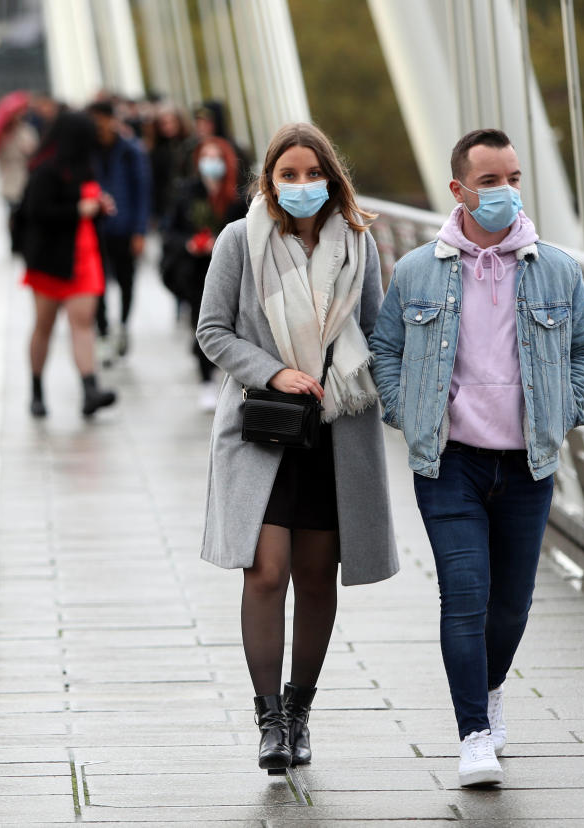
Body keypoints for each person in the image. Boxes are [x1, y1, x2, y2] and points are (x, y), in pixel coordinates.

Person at [369, 128, 584, 787]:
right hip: (450, 464)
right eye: (491, 181)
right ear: (459, 190)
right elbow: (385, 349)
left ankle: (491, 686)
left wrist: (564, 409)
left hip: (528, 465)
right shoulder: (418, 270)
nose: (505, 191)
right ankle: (474, 733)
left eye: (514, 177)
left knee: (512, 606)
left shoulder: (555, 268)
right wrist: (404, 409)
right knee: (465, 596)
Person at [196, 122, 398, 773]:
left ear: (332, 179)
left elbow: (376, 332)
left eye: (315, 174)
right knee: (268, 572)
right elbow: (212, 332)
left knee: (316, 578)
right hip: (263, 429)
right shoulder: (239, 241)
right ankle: (270, 721)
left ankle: (300, 710)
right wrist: (273, 369)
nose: (303, 185)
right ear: (271, 180)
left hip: (336, 434)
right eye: (290, 174)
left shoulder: (359, 246)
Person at [20, 111, 118, 419]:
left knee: (83, 323)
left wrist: (99, 208)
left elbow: (86, 209)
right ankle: (36, 390)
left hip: (84, 260)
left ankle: (90, 388)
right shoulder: (45, 171)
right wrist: (78, 209)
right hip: (51, 263)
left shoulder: (86, 169)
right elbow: (37, 213)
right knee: (44, 327)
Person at [160, 137, 247, 410]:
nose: (211, 163)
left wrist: (219, 243)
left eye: (216, 157)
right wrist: (190, 244)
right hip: (194, 273)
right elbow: (169, 231)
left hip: (231, 272)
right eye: (205, 157)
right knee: (203, 322)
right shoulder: (186, 192)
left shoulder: (238, 196)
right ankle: (206, 378)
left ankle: (227, 372)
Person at [87, 100, 151, 359]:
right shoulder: (87, 151)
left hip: (123, 228)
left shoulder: (130, 151)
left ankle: (123, 326)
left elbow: (143, 192)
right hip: (95, 227)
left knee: (126, 280)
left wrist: (139, 230)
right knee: (97, 282)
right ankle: (102, 331)